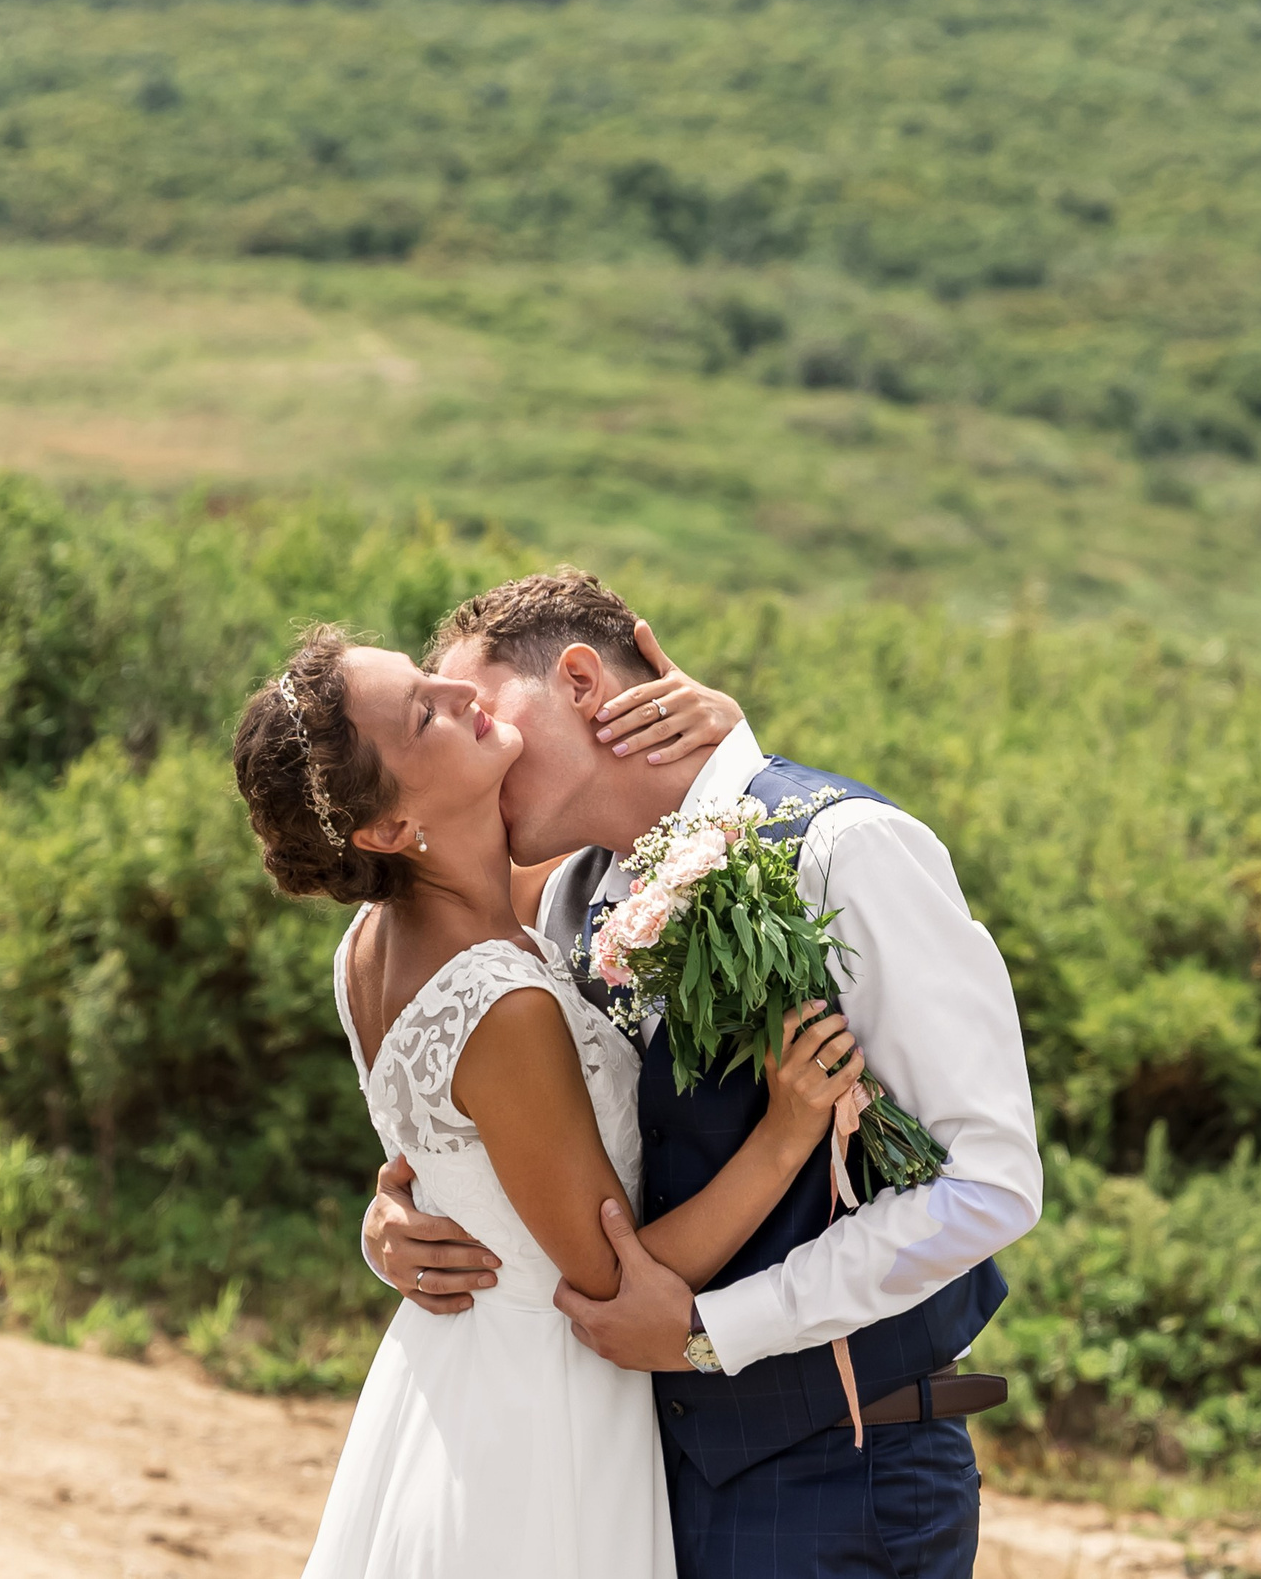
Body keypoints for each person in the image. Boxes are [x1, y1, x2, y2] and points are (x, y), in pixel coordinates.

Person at [365, 570, 1042, 1579]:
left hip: (835, 1476)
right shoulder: (572, 894)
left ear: (583, 681)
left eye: (484, 709)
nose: (480, 743)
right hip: (634, 1475)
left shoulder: (845, 850)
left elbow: (988, 1184)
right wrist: (403, 1213)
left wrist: (708, 1330)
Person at [234, 621, 872, 1579]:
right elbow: (614, 1282)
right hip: (544, 1415)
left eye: (429, 677)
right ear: (391, 831)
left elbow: (638, 845)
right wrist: (786, 1135)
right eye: (424, 713)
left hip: (452, 1374)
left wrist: (725, 748)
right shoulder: (504, 1006)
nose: (461, 694)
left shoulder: (375, 936)